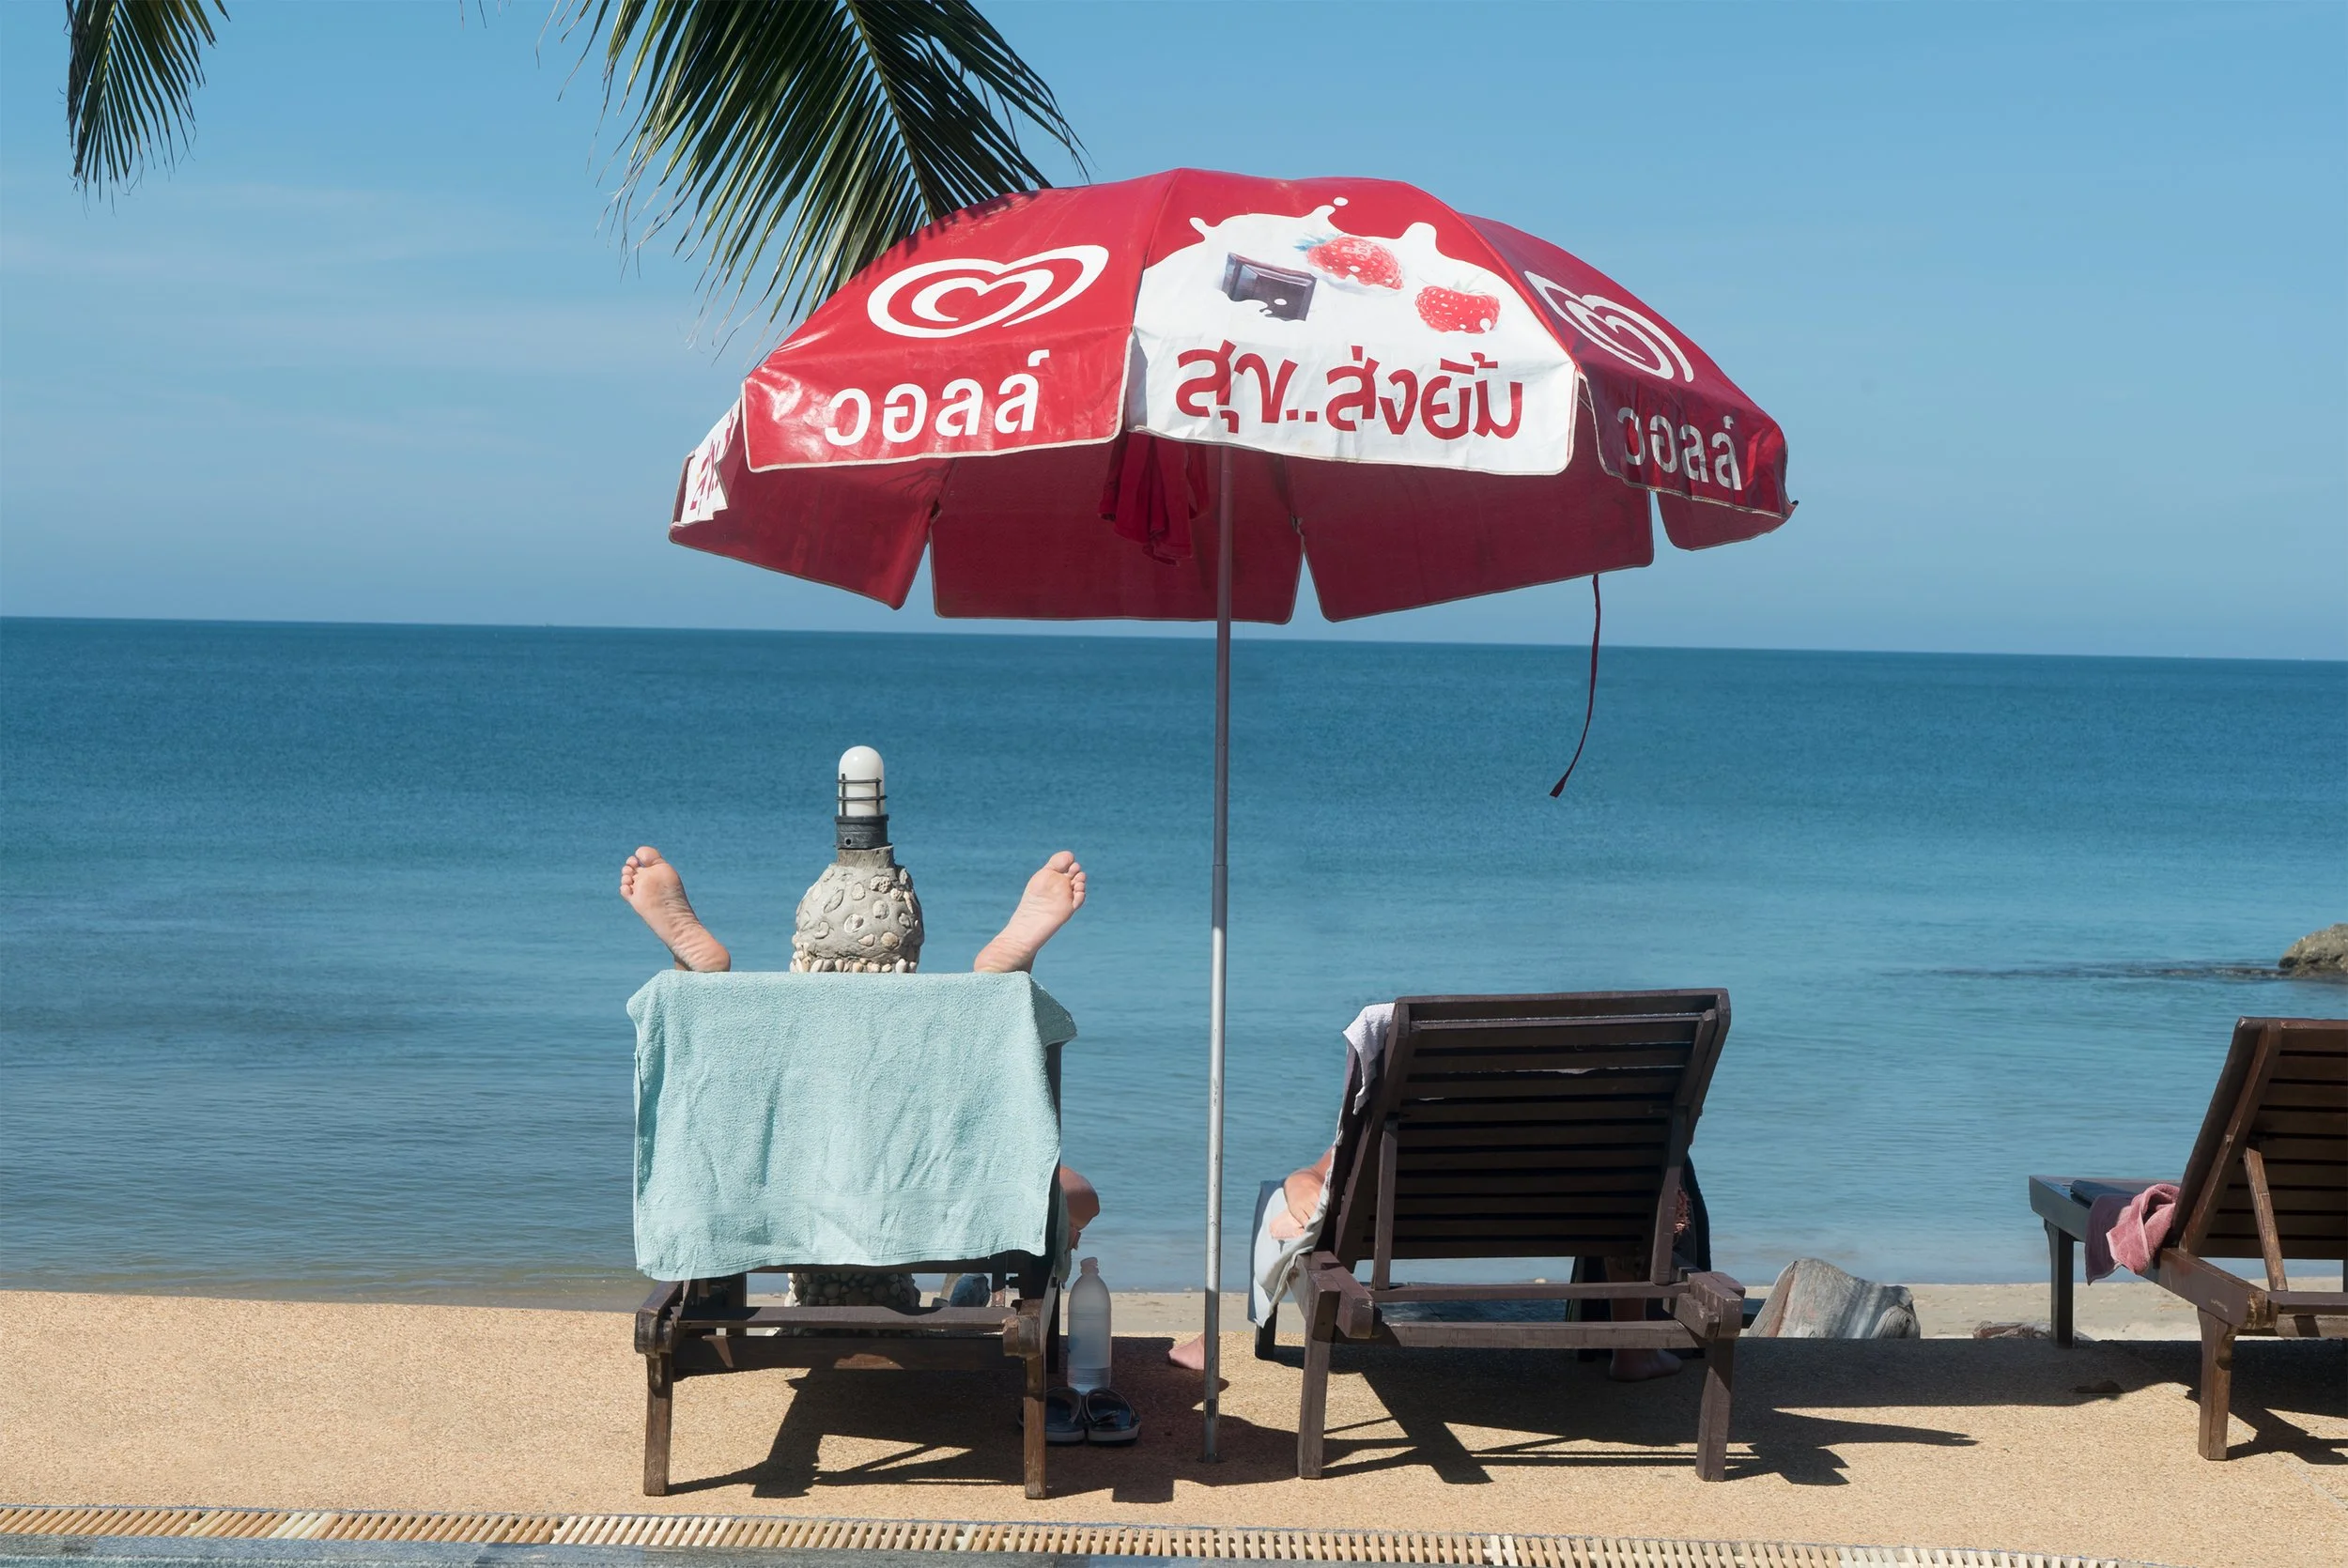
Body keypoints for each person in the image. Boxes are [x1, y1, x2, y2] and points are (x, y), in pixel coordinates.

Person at [618, 845, 1104, 1254]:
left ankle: (696, 989)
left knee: (719, 1087)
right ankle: (997, 994)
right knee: (1072, 1196)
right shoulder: (928, 1065)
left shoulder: (791, 1072)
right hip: (936, 1207)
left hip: (783, 1201)